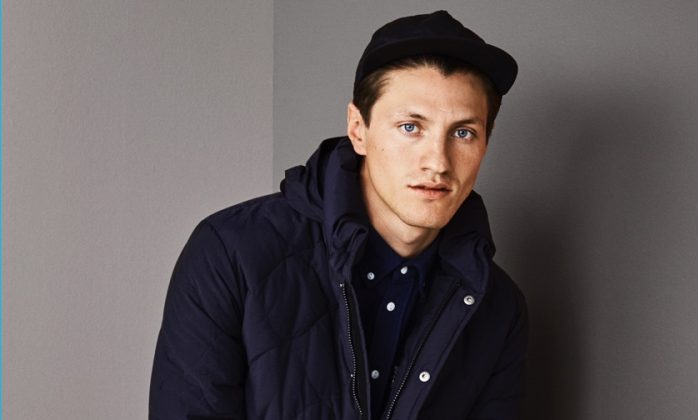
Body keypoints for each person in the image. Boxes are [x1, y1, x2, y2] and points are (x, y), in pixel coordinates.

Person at [149, 10, 527, 420]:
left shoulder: (497, 307)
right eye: (410, 127)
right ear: (358, 129)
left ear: (485, 145)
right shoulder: (230, 253)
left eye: (463, 133)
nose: (437, 162)